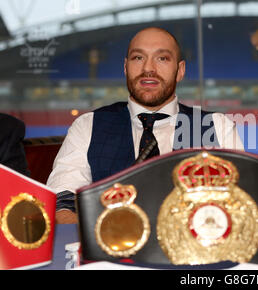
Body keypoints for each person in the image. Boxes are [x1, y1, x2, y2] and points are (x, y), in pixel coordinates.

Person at [48, 27, 244, 223]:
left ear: (180, 70)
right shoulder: (87, 126)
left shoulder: (217, 127)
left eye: (162, 58)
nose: (148, 68)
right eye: (138, 58)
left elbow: (241, 204)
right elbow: (62, 203)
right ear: (125, 67)